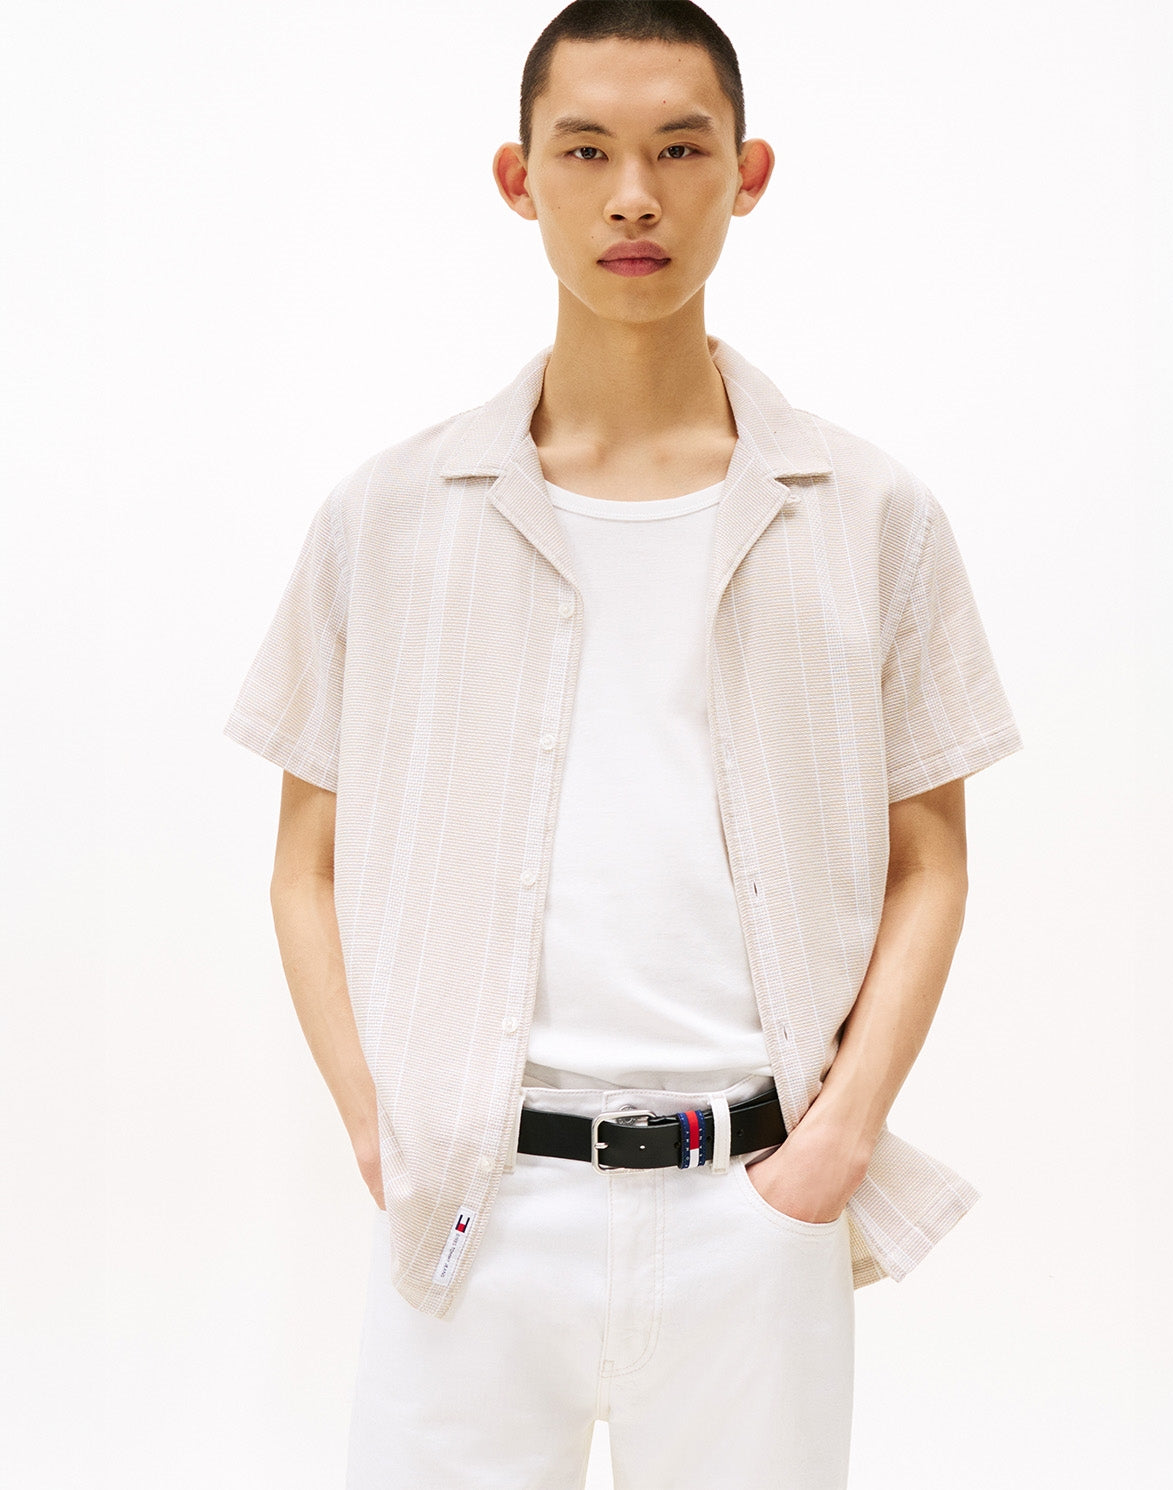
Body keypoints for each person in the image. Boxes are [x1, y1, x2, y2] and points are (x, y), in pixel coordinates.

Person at [222, 2, 1024, 1486]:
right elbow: (305, 863)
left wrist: (838, 1142)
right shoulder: (389, 516)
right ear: (518, 177)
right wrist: (380, 1123)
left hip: (753, 1201)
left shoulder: (869, 513)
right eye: (586, 151)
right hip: (473, 1208)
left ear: (750, 173)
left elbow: (932, 862)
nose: (634, 197)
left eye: (680, 150)